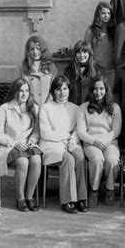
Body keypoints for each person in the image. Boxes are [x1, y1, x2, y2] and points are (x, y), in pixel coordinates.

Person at [0, 78, 42, 212]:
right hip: (8, 146)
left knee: (37, 160)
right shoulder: (4, 109)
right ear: (14, 92)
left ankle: (29, 196)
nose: (24, 94)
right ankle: (20, 198)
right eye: (20, 91)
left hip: (27, 145)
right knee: (23, 162)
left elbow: (36, 131)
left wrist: (32, 140)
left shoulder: (34, 108)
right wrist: (14, 143)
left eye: (26, 91)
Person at [39, 75, 87, 214]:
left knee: (79, 155)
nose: (62, 92)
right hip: (51, 145)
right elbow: (45, 133)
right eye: (58, 89)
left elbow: (78, 129)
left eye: (65, 88)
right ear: (53, 91)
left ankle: (81, 197)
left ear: (69, 90)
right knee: (68, 159)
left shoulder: (75, 108)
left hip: (69, 143)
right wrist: (66, 138)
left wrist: (72, 140)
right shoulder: (46, 108)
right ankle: (67, 200)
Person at [77, 75, 122, 208]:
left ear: (106, 90)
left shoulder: (115, 108)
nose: (98, 92)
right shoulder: (83, 108)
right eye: (95, 89)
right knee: (97, 159)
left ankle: (109, 189)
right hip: (90, 143)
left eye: (101, 88)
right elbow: (81, 132)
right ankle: (94, 190)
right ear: (91, 91)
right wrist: (95, 141)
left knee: (112, 160)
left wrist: (104, 140)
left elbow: (116, 130)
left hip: (110, 142)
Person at [19, 35, 58, 106]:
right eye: (32, 49)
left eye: (38, 48)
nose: (35, 52)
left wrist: (46, 107)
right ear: (28, 51)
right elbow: (19, 89)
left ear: (42, 49)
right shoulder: (23, 68)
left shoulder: (51, 67)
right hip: (29, 108)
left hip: (48, 107)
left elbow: (54, 89)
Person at [63, 40, 104, 105]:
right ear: (75, 54)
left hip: (91, 108)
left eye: (85, 52)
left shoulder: (97, 70)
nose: (81, 55)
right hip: (73, 108)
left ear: (89, 53)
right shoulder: (68, 70)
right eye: (79, 52)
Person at [84, 2, 117, 80]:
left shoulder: (114, 30)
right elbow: (88, 51)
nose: (106, 16)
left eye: (108, 13)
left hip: (111, 70)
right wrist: (91, 67)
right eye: (103, 13)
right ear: (98, 14)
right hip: (96, 70)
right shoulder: (90, 31)